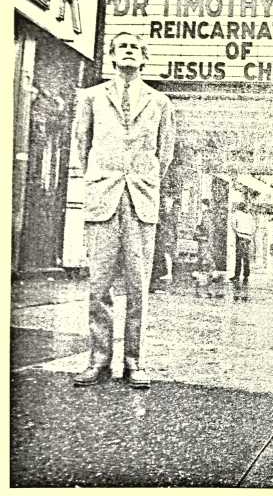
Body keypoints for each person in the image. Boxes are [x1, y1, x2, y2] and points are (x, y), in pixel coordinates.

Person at [72, 31, 175, 389]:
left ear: (144, 59)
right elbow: (81, 143)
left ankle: (134, 360)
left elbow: (165, 154)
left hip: (140, 202)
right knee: (98, 285)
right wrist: (100, 179)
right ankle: (98, 359)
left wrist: (143, 181)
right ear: (112, 56)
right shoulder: (91, 98)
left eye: (135, 47)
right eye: (122, 47)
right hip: (103, 199)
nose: (129, 52)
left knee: (137, 286)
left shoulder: (160, 102)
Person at [230, 202, 255, 284]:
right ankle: (246, 275)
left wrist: (237, 232)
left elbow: (233, 224)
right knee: (246, 257)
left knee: (238, 257)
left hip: (240, 237)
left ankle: (237, 275)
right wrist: (250, 234)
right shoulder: (250, 216)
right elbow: (254, 227)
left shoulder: (237, 214)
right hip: (248, 238)